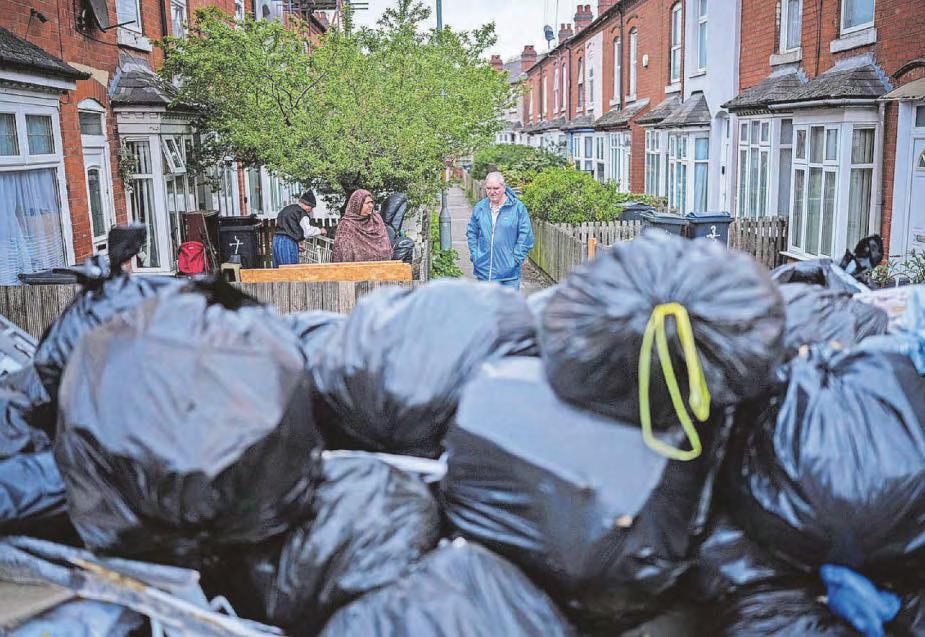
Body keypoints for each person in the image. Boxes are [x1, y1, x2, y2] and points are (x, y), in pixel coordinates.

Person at [466, 171, 534, 290]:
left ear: (504, 187)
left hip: (509, 276)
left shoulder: (518, 208)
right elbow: (472, 232)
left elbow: (526, 236)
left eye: (496, 188)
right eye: (488, 188)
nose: (492, 192)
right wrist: (475, 254)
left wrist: (515, 259)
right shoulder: (480, 207)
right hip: (484, 274)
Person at [332, 189, 393, 263]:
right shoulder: (346, 225)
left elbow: (385, 244)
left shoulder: (376, 220)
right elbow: (342, 254)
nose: (371, 205)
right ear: (358, 204)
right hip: (357, 269)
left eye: (371, 202)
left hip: (382, 267)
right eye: (367, 203)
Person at [272, 191, 326, 268]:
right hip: (288, 242)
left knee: (278, 269)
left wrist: (296, 244)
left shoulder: (287, 209)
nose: (311, 210)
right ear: (306, 204)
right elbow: (307, 232)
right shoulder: (301, 213)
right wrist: (320, 230)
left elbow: (288, 228)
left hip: (276, 240)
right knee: (290, 270)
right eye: (311, 207)